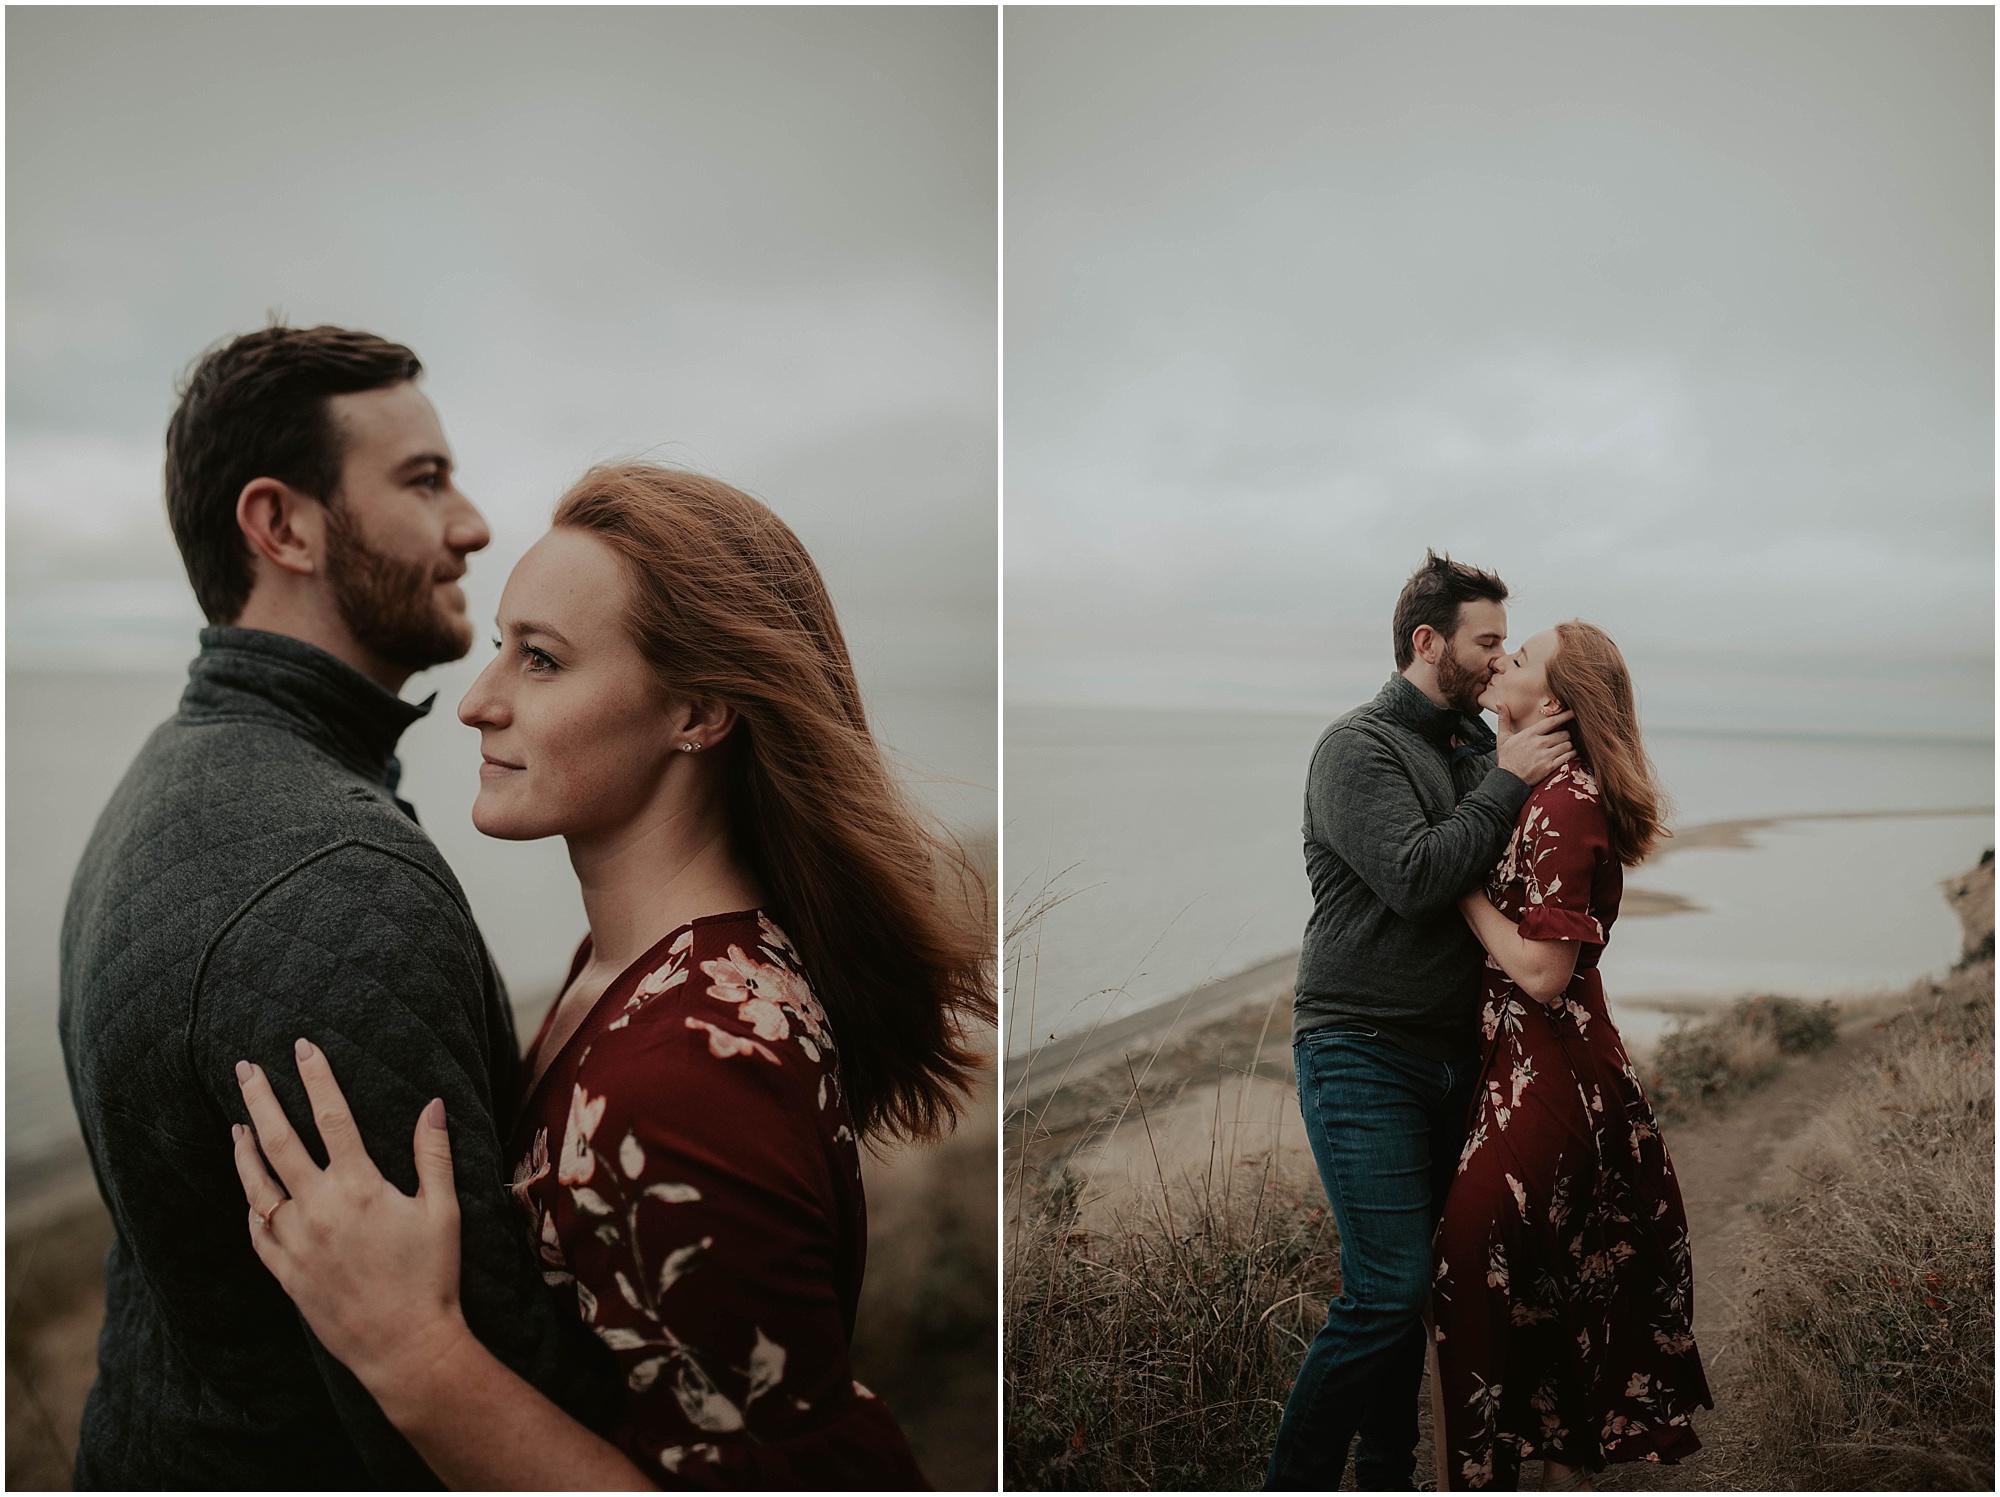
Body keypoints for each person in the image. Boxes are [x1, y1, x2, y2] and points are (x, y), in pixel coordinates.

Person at [226, 464, 993, 1488]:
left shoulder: (686, 1074)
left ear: (699, 710)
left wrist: (412, 1354)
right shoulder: (637, 967)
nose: (477, 703)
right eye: (501, 646)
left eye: (540, 660)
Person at [58, 324, 620, 1488]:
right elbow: (461, 1414)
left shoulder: (167, 779)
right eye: (423, 480)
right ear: (282, 527)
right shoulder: (332, 881)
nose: (470, 523)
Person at [1265, 552, 1576, 1490]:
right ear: (1427, 640)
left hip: (1459, 1056)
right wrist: (1509, 778)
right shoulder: (1355, 748)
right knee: (1388, 1288)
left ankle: (1387, 1474)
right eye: (1486, 642)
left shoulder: (1481, 750)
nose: (1497, 660)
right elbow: (1414, 877)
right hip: (1359, 1047)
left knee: (1429, 1291)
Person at [1434, 621, 1712, 1491]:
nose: (1502, 660)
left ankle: (1469, 1479)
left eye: (1519, 659)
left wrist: (1461, 888)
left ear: (1551, 701)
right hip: (1529, 1072)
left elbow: (1544, 971)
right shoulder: (1539, 787)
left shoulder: (1566, 802)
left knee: (1464, 1270)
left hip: (1553, 1076)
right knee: (1541, 1299)